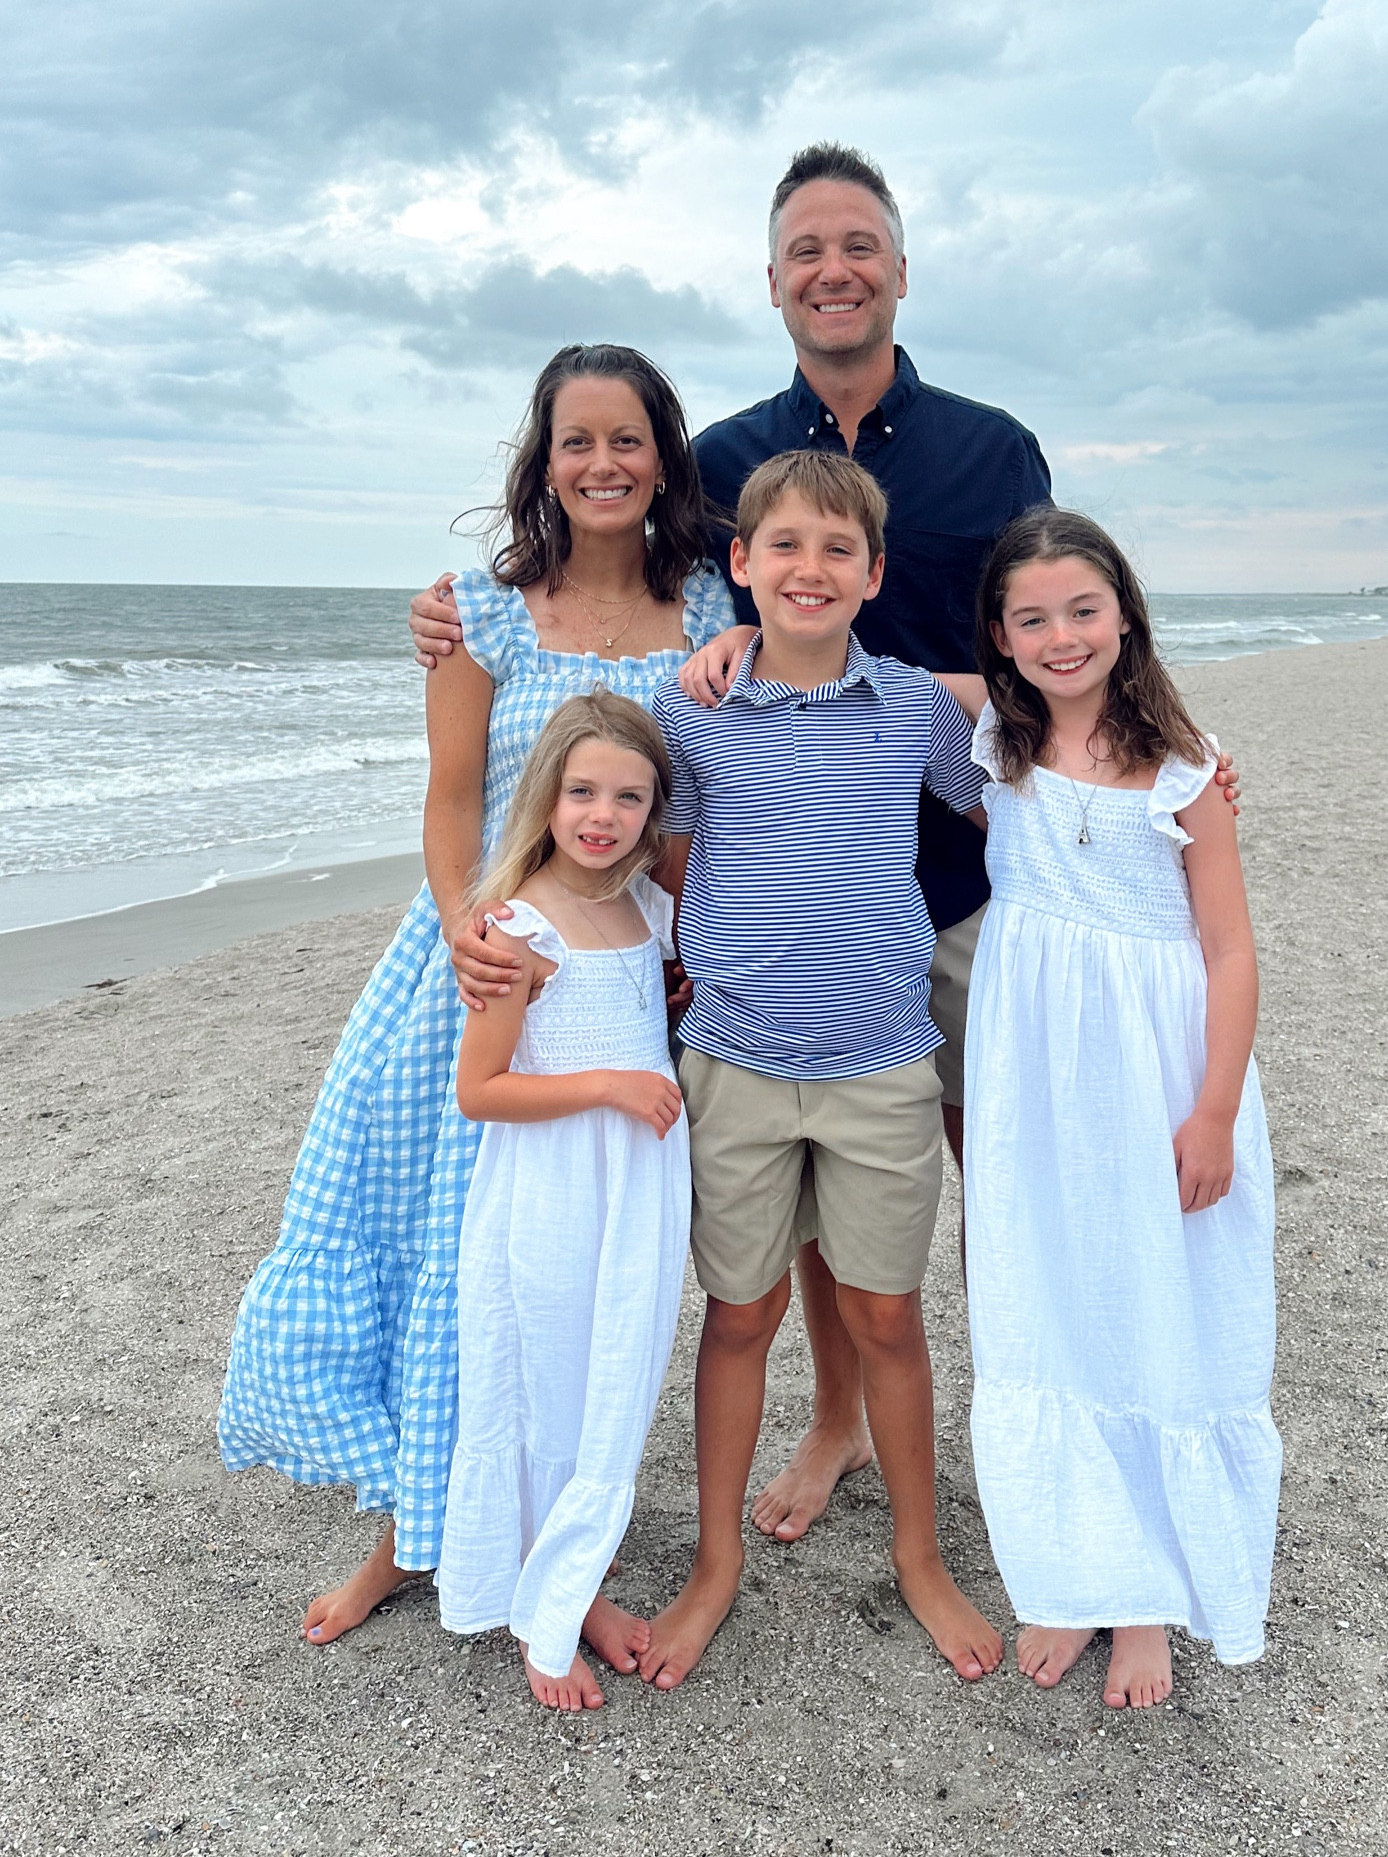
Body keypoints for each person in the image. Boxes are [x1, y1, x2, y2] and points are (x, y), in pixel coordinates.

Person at [411, 144, 1235, 1544]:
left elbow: (1055, 628)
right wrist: (456, 615)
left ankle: (1041, 1435)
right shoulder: (726, 458)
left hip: (964, 881)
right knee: (798, 1198)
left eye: (858, 245)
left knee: (998, 1171)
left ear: (899, 269)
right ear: (772, 280)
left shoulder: (991, 446)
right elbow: (637, 595)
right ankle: (837, 1418)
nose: (833, 269)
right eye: (806, 249)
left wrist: (1158, 759)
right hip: (775, 899)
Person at [217, 344, 735, 1678]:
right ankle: (409, 1534)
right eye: (577, 441)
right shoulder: (479, 613)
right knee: (436, 1261)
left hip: (621, 983)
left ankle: (563, 1548)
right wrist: (467, 930)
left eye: (627, 439)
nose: (603, 463)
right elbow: (452, 802)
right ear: (543, 462)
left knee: (567, 1282)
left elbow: (701, 803)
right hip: (483, 972)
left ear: (664, 457)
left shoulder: (710, 608)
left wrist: (687, 945)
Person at [635, 450, 1004, 1691]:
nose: (811, 567)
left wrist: (1172, 813)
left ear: (874, 572)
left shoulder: (911, 706)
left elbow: (1003, 806)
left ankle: (919, 1553)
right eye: (784, 544)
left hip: (885, 1065)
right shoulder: (690, 707)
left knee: (887, 1314)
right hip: (732, 1062)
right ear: (740, 562)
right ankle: (715, 1561)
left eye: (837, 548)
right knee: (739, 1314)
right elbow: (663, 849)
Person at [961, 507, 1281, 1708]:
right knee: (1048, 1295)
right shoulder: (995, 735)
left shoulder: (1186, 768)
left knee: (1153, 1299)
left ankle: (1145, 1593)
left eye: (1083, 610)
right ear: (1000, 634)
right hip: (1033, 1081)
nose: (1061, 636)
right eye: (1031, 617)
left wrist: (1212, 1111)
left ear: (1126, 615)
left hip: (1159, 1073)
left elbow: (1230, 949)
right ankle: (1074, 1564)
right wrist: (730, 645)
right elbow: (846, 661)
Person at [439, 690, 689, 1713]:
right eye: (582, 791)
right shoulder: (515, 928)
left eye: (629, 797)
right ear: (546, 794)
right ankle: (549, 1610)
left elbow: (647, 1005)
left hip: (638, 1186)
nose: (602, 815)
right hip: (551, 1186)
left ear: (654, 810)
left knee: (614, 1377)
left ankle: (573, 1575)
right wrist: (609, 1083)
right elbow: (480, 1089)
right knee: (545, 1383)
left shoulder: (648, 909)